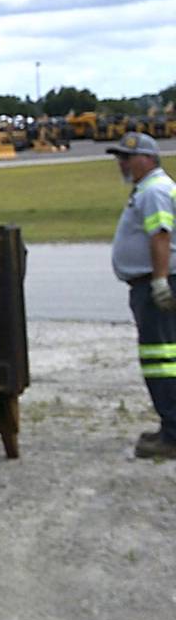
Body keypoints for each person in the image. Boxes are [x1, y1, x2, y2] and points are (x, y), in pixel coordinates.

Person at [108, 131, 176, 458]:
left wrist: (160, 282)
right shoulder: (151, 189)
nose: (121, 163)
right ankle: (171, 426)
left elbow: (160, 236)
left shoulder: (154, 191)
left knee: (162, 361)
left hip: (154, 285)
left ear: (147, 158)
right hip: (150, 283)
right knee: (165, 359)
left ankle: (173, 435)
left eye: (127, 157)